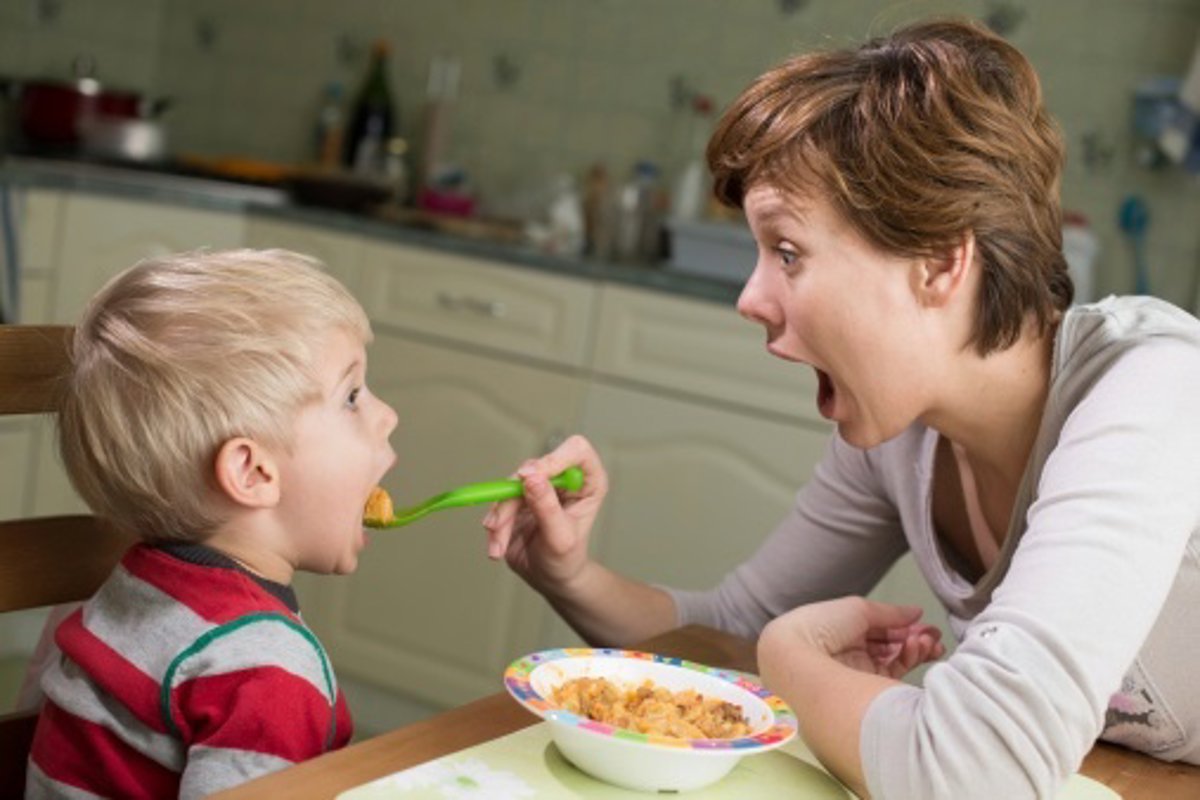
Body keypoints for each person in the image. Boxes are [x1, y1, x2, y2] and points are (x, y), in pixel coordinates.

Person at [482, 18, 1200, 800]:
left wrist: (792, 661)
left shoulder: (1153, 389)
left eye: (787, 251)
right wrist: (571, 575)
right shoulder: (902, 437)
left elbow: (977, 772)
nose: (750, 298)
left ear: (939, 262)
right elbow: (731, 632)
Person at [25, 249, 398, 799]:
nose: (387, 414)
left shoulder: (133, 582)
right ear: (252, 471)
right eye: (351, 396)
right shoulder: (268, 671)